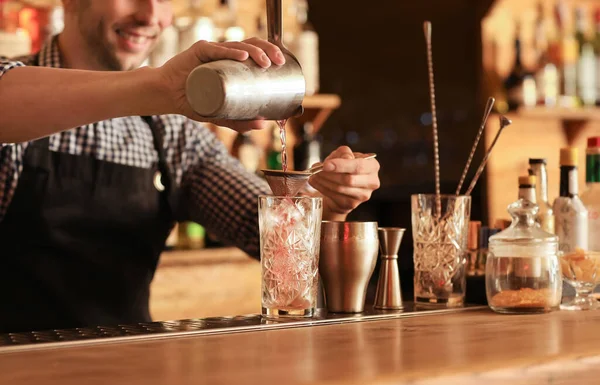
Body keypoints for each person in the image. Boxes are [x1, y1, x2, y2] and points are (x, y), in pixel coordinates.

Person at [0, 0, 380, 333]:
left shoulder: (168, 130)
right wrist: (160, 87)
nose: (150, 14)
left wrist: (324, 200)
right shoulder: (18, 90)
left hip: (124, 366)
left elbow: (259, 223)